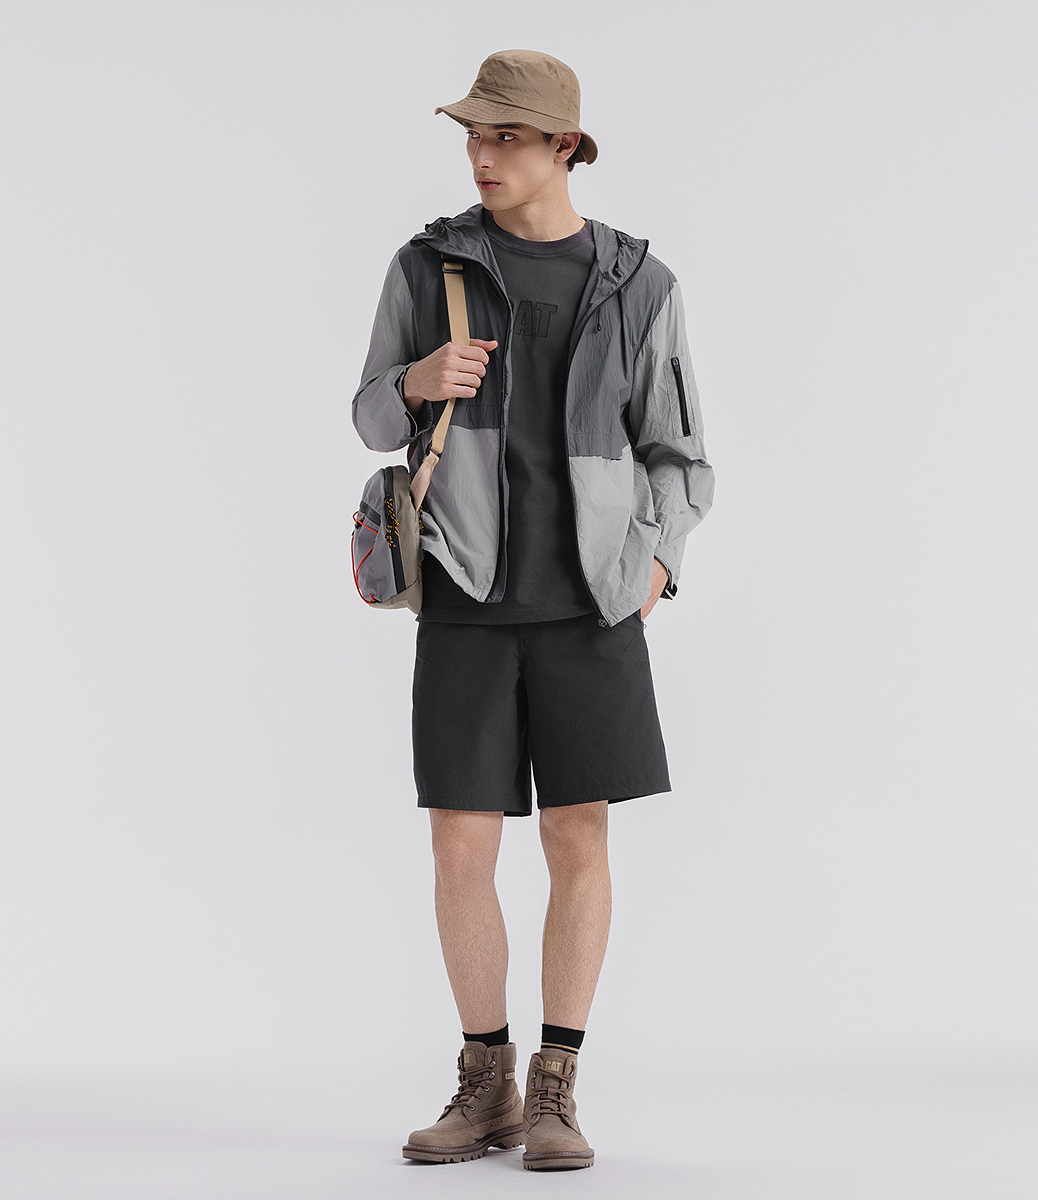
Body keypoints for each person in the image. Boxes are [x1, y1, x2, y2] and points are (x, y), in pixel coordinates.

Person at [351, 48, 714, 1170]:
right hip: (464, 590)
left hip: (593, 604)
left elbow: (681, 454)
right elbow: (369, 415)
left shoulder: (640, 284)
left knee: (577, 834)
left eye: (505, 135)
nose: (481, 154)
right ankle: (486, 1084)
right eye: (473, 134)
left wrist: (658, 562)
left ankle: (556, 1087)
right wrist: (416, 382)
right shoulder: (429, 266)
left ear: (564, 147)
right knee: (461, 844)